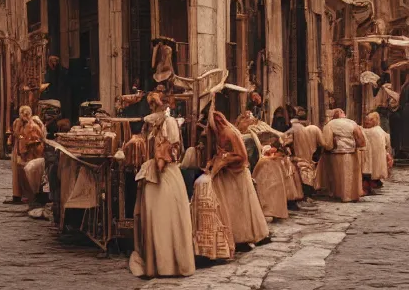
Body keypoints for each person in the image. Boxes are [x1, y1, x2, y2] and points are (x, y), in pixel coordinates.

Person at [129, 93, 196, 278]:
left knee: (166, 219)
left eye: (154, 105)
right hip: (158, 173)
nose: (152, 108)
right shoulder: (155, 124)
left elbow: (171, 148)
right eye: (151, 105)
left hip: (166, 174)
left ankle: (169, 265)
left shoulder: (169, 123)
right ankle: (158, 264)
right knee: (157, 219)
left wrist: (160, 159)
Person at [208, 111, 270, 247]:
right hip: (230, 175)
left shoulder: (230, 133)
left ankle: (245, 237)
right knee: (234, 207)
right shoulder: (220, 134)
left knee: (242, 207)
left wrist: (226, 159)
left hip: (239, 175)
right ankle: (237, 237)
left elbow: (242, 156)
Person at [318, 109, 366, 202]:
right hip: (351, 152)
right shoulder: (352, 123)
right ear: (343, 114)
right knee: (350, 175)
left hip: (336, 153)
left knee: (337, 175)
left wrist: (328, 148)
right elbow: (360, 140)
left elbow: (328, 143)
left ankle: (338, 194)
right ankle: (350, 195)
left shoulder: (330, 124)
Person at [7, 106, 43, 204]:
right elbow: (14, 134)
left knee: (27, 174)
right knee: (18, 174)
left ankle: (29, 196)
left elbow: (37, 140)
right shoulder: (17, 123)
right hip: (18, 150)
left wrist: (24, 142)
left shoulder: (33, 126)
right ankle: (18, 195)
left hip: (30, 153)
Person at [285, 109, 321, 202]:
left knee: (300, 175)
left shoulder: (291, 129)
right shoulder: (301, 127)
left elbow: (286, 142)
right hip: (305, 155)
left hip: (298, 156)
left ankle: (302, 196)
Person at [358, 112, 391, 192]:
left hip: (372, 157)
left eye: (370, 120)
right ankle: (373, 182)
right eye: (366, 120)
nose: (367, 122)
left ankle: (370, 182)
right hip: (375, 156)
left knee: (370, 169)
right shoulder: (380, 130)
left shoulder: (372, 131)